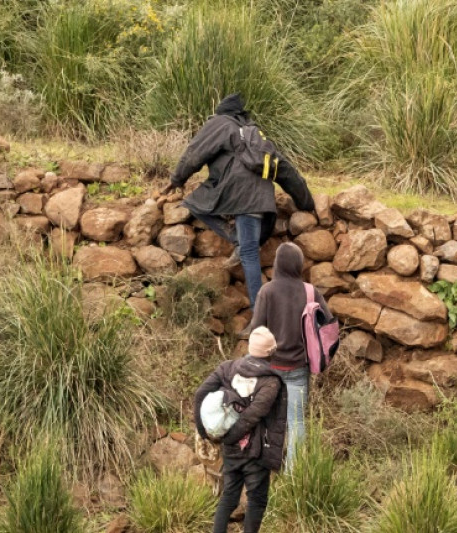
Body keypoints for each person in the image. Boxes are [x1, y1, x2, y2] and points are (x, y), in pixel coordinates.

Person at [163, 93, 315, 337]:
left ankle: (260, 319)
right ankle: (239, 241)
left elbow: (195, 152)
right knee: (246, 247)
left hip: (239, 196)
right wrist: (306, 201)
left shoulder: (220, 123)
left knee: (244, 248)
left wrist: (176, 179)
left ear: (222, 111)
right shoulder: (254, 133)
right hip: (261, 200)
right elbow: (284, 168)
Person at [248, 242, 332, 472]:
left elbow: (256, 330)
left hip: (270, 369)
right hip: (298, 369)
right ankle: (293, 477)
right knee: (297, 423)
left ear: (277, 263)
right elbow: (328, 326)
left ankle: (262, 471)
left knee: (266, 420)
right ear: (298, 264)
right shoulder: (310, 292)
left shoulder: (267, 291)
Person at [194, 326, 287, 533]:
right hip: (256, 452)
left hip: (231, 451)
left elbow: (200, 394)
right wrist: (232, 437)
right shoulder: (271, 382)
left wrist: (204, 433)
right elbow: (252, 416)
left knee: (229, 496)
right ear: (271, 353)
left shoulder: (227, 368)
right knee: (257, 500)